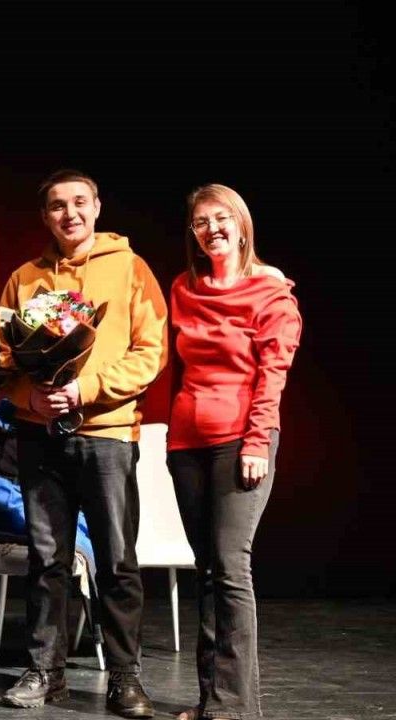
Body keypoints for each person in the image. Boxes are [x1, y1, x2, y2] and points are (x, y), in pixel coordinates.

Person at [0, 169, 167, 717]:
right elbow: (1, 359)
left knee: (117, 561)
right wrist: (30, 398)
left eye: (78, 203)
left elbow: (150, 351)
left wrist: (85, 390)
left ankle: (125, 677)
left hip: (107, 436)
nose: (69, 214)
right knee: (47, 561)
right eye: (56, 206)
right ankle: (47, 672)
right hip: (40, 435)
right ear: (44, 216)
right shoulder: (24, 278)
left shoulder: (131, 268)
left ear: (96, 207)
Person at [166, 184, 302, 720]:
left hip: (240, 440)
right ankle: (211, 701)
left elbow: (273, 374)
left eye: (221, 218)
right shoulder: (183, 287)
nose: (212, 229)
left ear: (242, 225)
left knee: (229, 567)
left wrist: (257, 441)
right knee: (206, 570)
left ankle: (236, 708)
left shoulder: (270, 291)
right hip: (186, 444)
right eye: (201, 222)